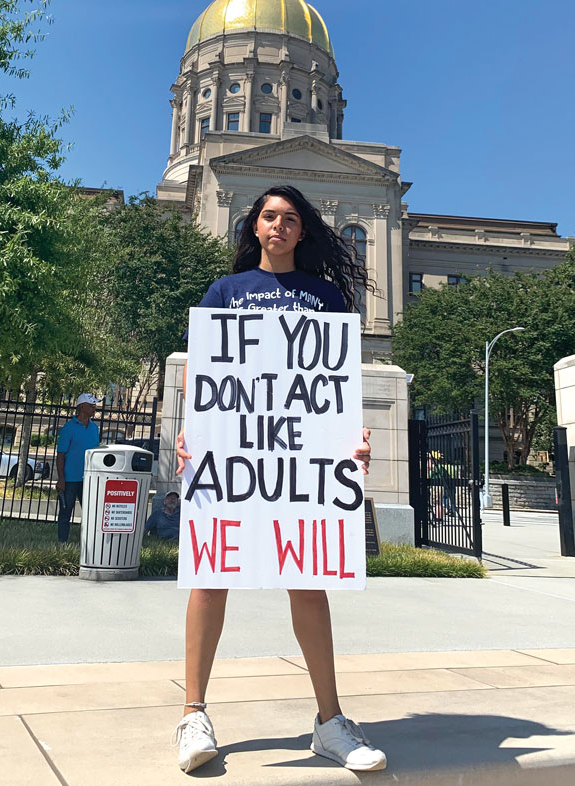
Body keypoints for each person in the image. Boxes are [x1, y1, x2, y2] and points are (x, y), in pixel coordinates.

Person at [172, 185, 386, 774]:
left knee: (308, 582)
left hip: (300, 468)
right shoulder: (225, 293)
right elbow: (205, 374)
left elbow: (335, 386)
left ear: (303, 231)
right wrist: (194, 431)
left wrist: (355, 439)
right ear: (254, 227)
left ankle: (330, 721)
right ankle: (193, 714)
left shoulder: (326, 298)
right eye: (269, 216)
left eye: (290, 218)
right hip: (235, 463)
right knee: (210, 575)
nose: (279, 226)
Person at [55, 393, 101, 542]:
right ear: (81, 407)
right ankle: (63, 541)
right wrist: (61, 478)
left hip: (88, 478)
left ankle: (89, 541)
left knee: (90, 512)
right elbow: (61, 455)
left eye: (94, 405)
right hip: (70, 479)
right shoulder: (69, 428)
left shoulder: (94, 428)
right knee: (65, 511)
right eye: (91, 405)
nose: (94, 408)